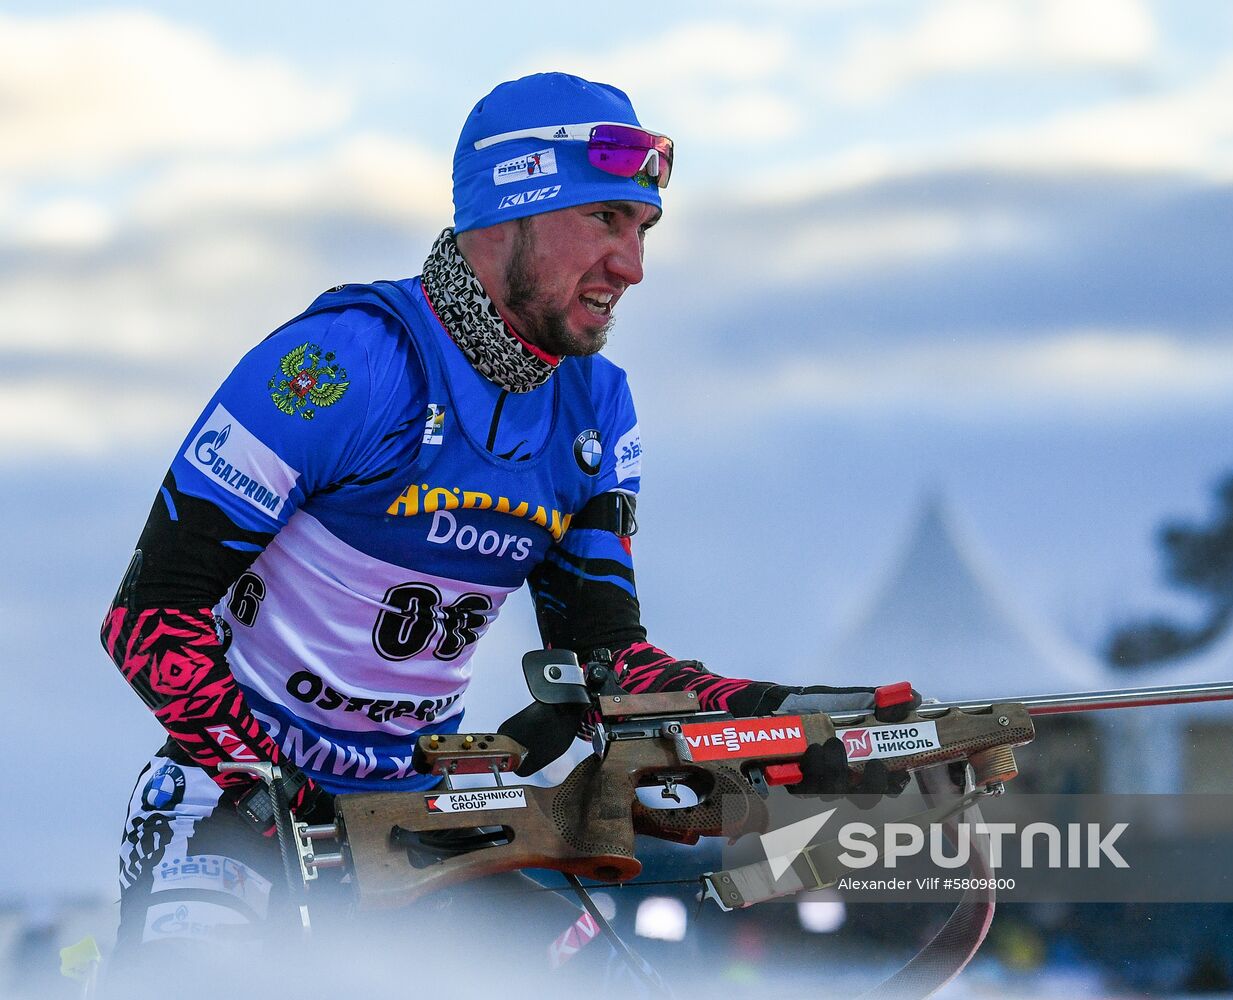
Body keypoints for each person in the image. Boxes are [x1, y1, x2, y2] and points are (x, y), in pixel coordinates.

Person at [100, 72, 912, 981]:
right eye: (604, 219)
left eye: (643, 230)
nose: (633, 266)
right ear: (510, 207)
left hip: (419, 813)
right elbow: (148, 620)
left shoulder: (596, 408)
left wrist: (790, 724)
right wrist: (270, 791)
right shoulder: (344, 362)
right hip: (236, 796)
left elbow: (610, 667)